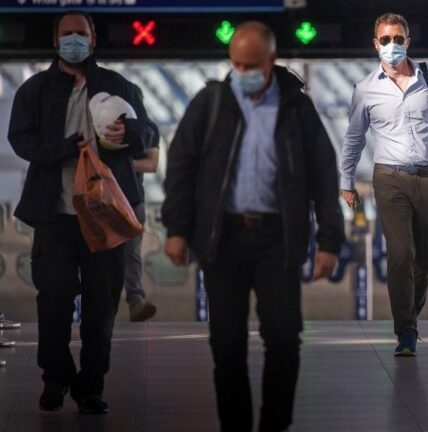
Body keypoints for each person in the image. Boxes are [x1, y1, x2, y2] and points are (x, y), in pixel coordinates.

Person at [162, 21, 344, 432]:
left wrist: (329, 241)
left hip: (276, 240)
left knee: (283, 340)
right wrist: (177, 228)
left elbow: (324, 175)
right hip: (222, 239)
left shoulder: (296, 107)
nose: (242, 72)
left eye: (251, 64)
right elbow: (181, 167)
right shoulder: (210, 103)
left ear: (271, 61)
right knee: (226, 345)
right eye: (236, 64)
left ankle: (274, 425)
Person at [7, 10, 155, 413]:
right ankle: (55, 378)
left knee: (100, 306)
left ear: (94, 40)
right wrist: (65, 147)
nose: (75, 39)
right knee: (52, 299)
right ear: (55, 42)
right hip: (54, 216)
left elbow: (150, 132)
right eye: (67, 34)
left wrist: (132, 133)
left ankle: (91, 385)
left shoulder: (116, 85)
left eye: (82, 33)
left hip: (103, 217)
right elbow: (20, 139)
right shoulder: (35, 89)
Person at [340, 13, 428, 356]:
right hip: (388, 177)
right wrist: (346, 180)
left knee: (425, 259)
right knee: (400, 253)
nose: (392, 45)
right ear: (375, 44)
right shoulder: (366, 89)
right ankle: (405, 330)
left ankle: (411, 317)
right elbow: (353, 138)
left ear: (408, 41)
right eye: (385, 39)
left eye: (398, 38)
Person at [124, 88, 160, 322]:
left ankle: (136, 300)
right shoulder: (100, 126)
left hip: (132, 196)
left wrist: (119, 164)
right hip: (100, 197)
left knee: (131, 251)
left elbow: (152, 164)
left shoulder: (148, 130)